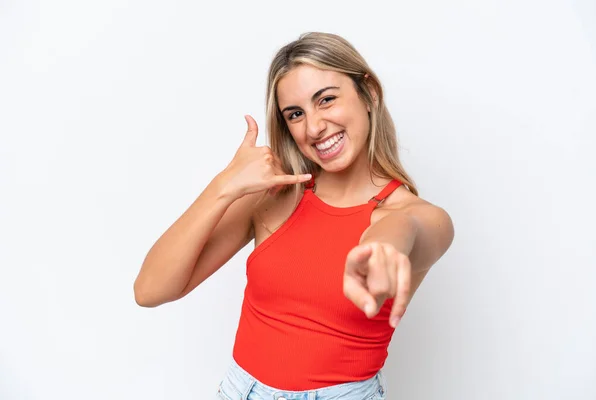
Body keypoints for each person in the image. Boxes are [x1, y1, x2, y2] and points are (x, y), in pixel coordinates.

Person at [133, 32, 454, 400]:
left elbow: (400, 230)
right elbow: (150, 290)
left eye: (327, 100)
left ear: (370, 94)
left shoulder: (420, 217)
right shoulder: (275, 195)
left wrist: (383, 249)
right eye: (296, 114)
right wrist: (223, 186)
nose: (314, 127)